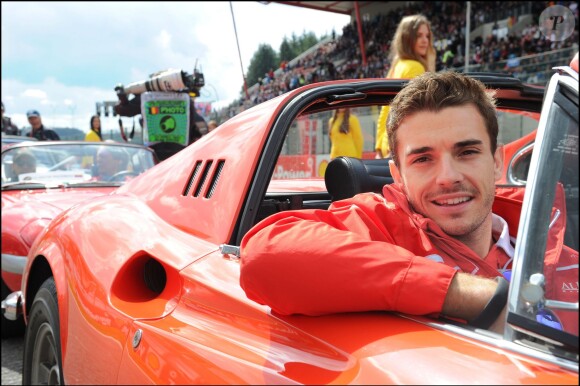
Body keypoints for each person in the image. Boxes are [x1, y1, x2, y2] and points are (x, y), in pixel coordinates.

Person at [239, 71, 578, 334]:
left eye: (467, 152)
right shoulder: (381, 224)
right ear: (396, 175)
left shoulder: (556, 243)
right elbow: (264, 254)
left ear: (496, 162)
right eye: (422, 159)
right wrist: (468, 294)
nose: (447, 176)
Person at [375, 14, 436, 159]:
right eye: (419, 35)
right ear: (407, 38)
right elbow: (424, 111)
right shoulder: (415, 67)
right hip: (405, 145)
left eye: (427, 36)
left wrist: (378, 147)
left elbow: (385, 109)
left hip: (389, 143)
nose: (425, 41)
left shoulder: (396, 66)